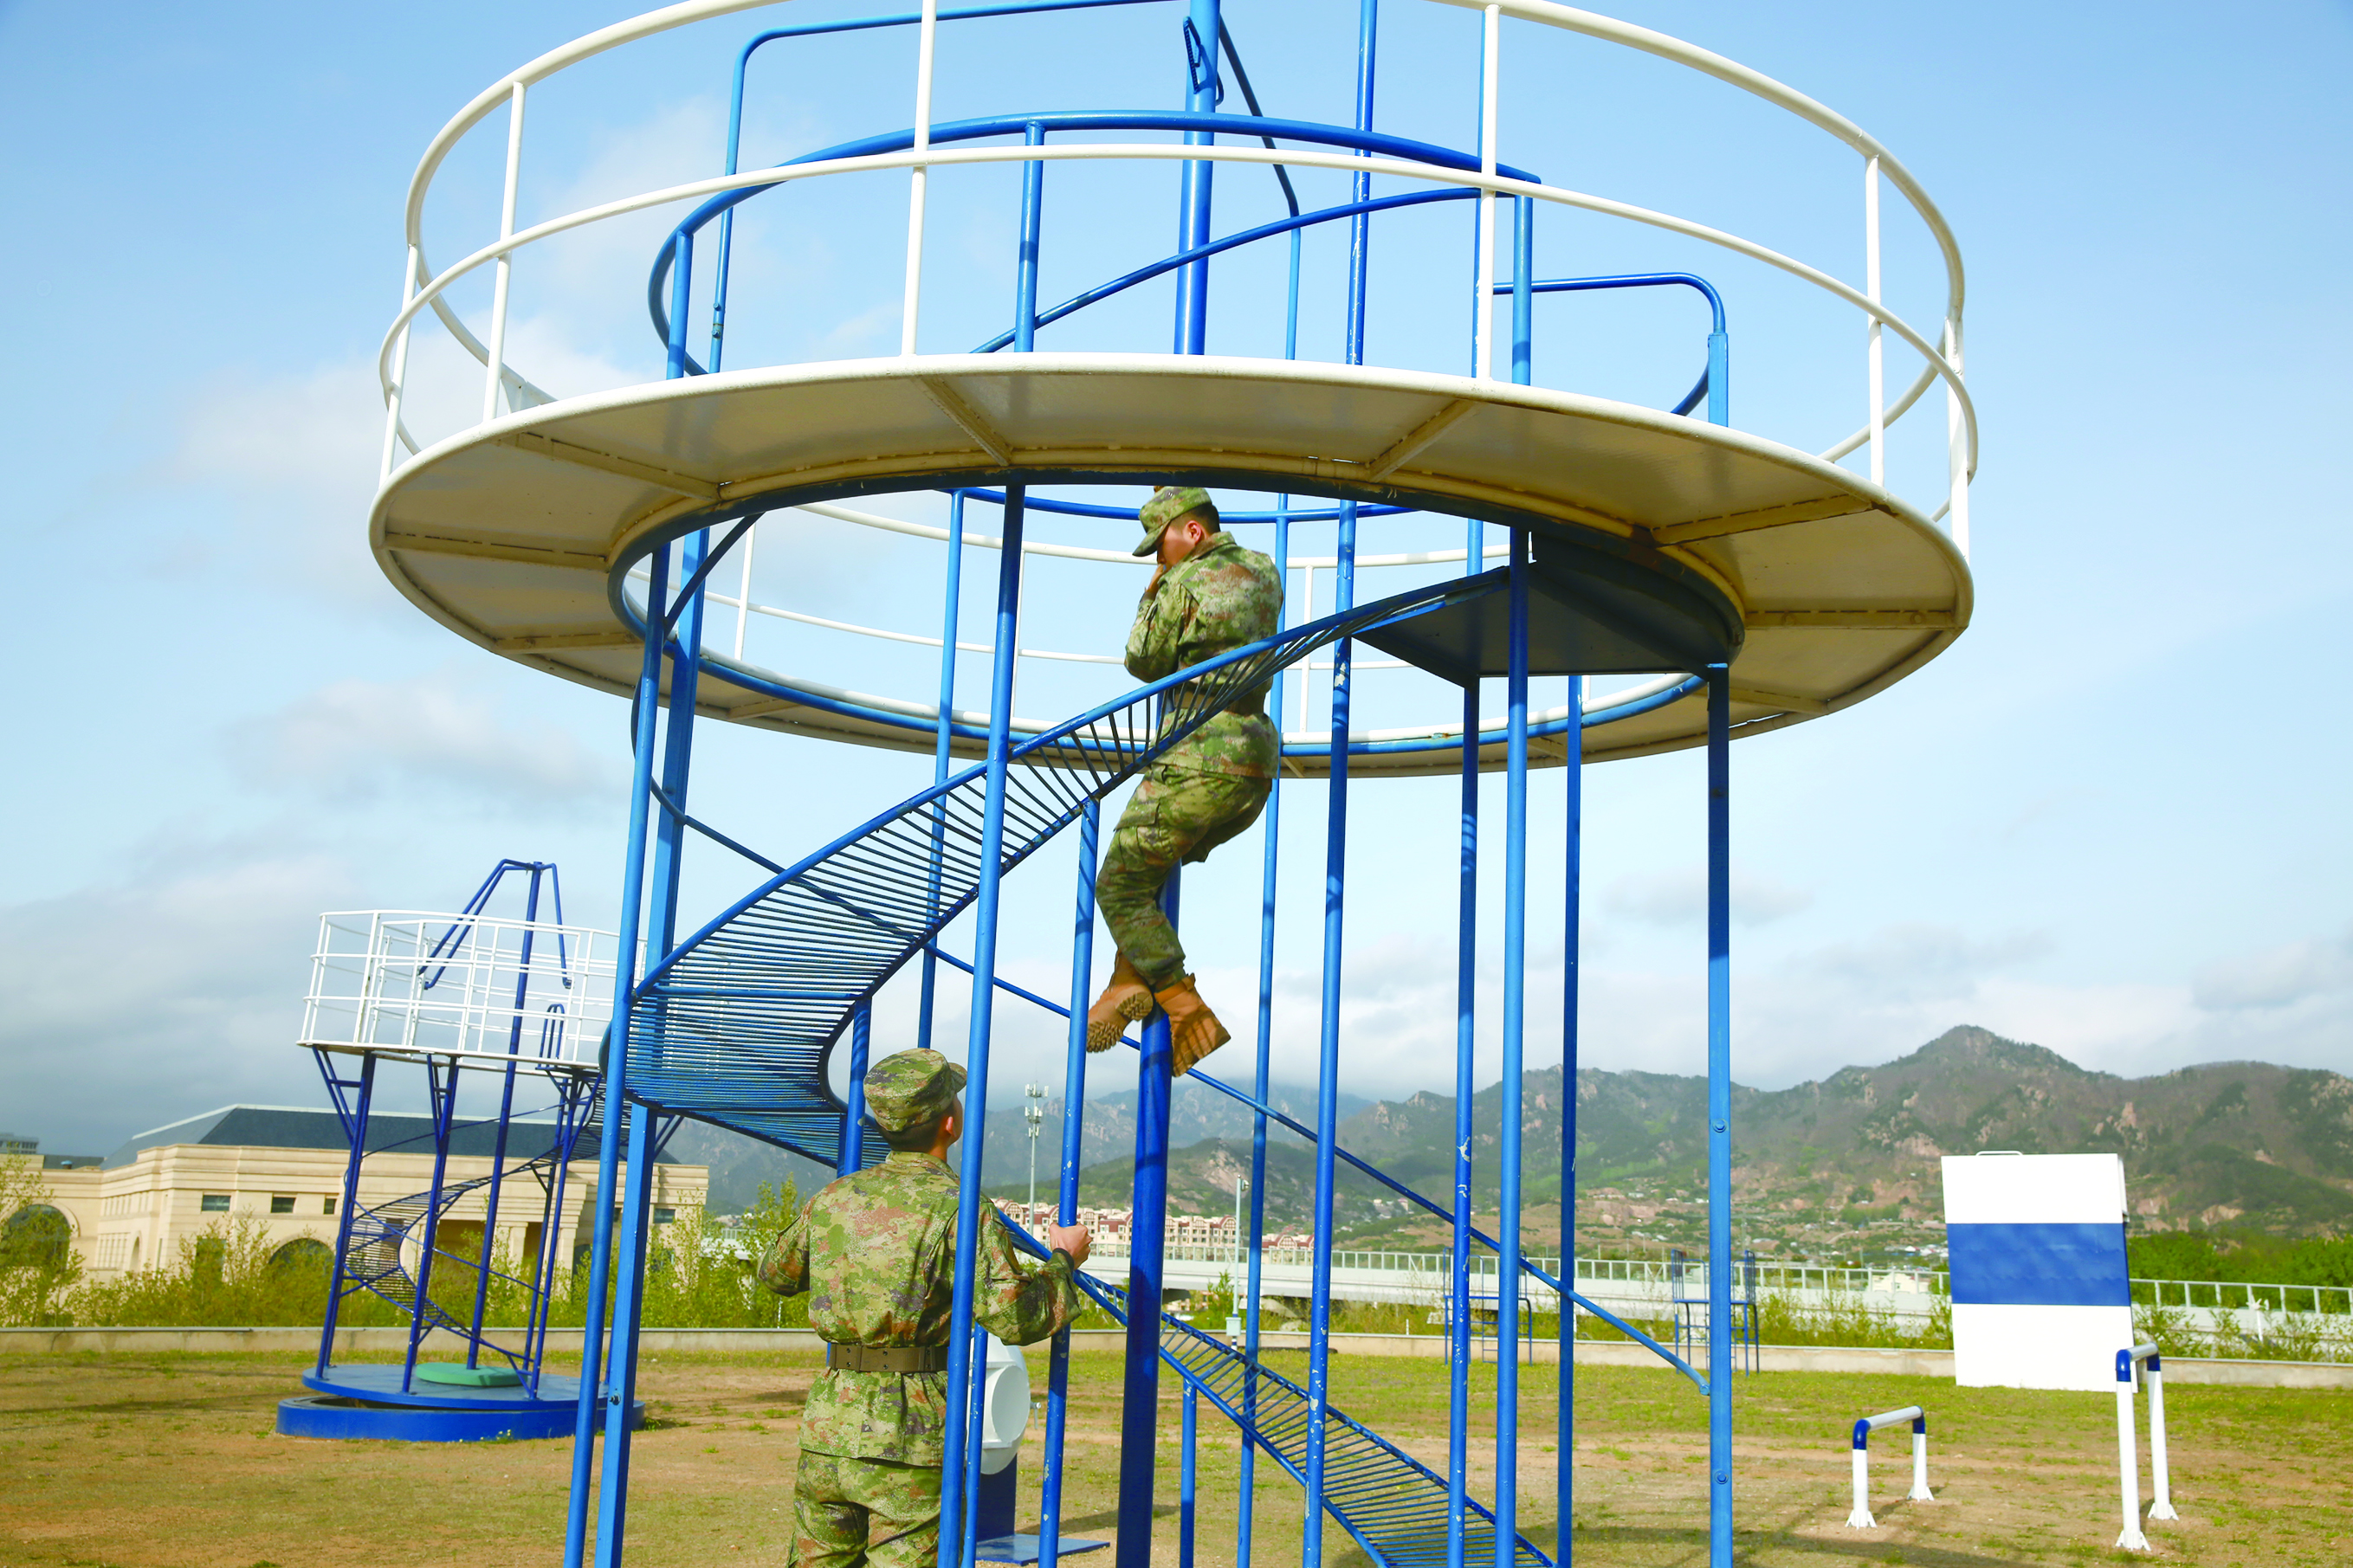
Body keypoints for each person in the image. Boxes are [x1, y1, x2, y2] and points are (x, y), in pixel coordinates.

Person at [757, 1049, 1091, 1568]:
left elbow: (775, 1275)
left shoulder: (834, 1198)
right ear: (951, 1124)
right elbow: (1015, 1317)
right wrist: (1063, 1262)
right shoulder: (959, 1206)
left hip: (828, 1425)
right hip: (910, 1431)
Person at [1083, 487, 1283, 1077]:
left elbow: (1142, 660)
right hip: (1252, 766)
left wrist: (1151, 595)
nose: (1157, 561)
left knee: (1118, 885)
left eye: (1160, 548)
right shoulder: (1265, 570)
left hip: (1194, 757)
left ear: (1192, 533)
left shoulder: (1180, 581)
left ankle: (1178, 998)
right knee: (1148, 874)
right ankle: (1125, 981)